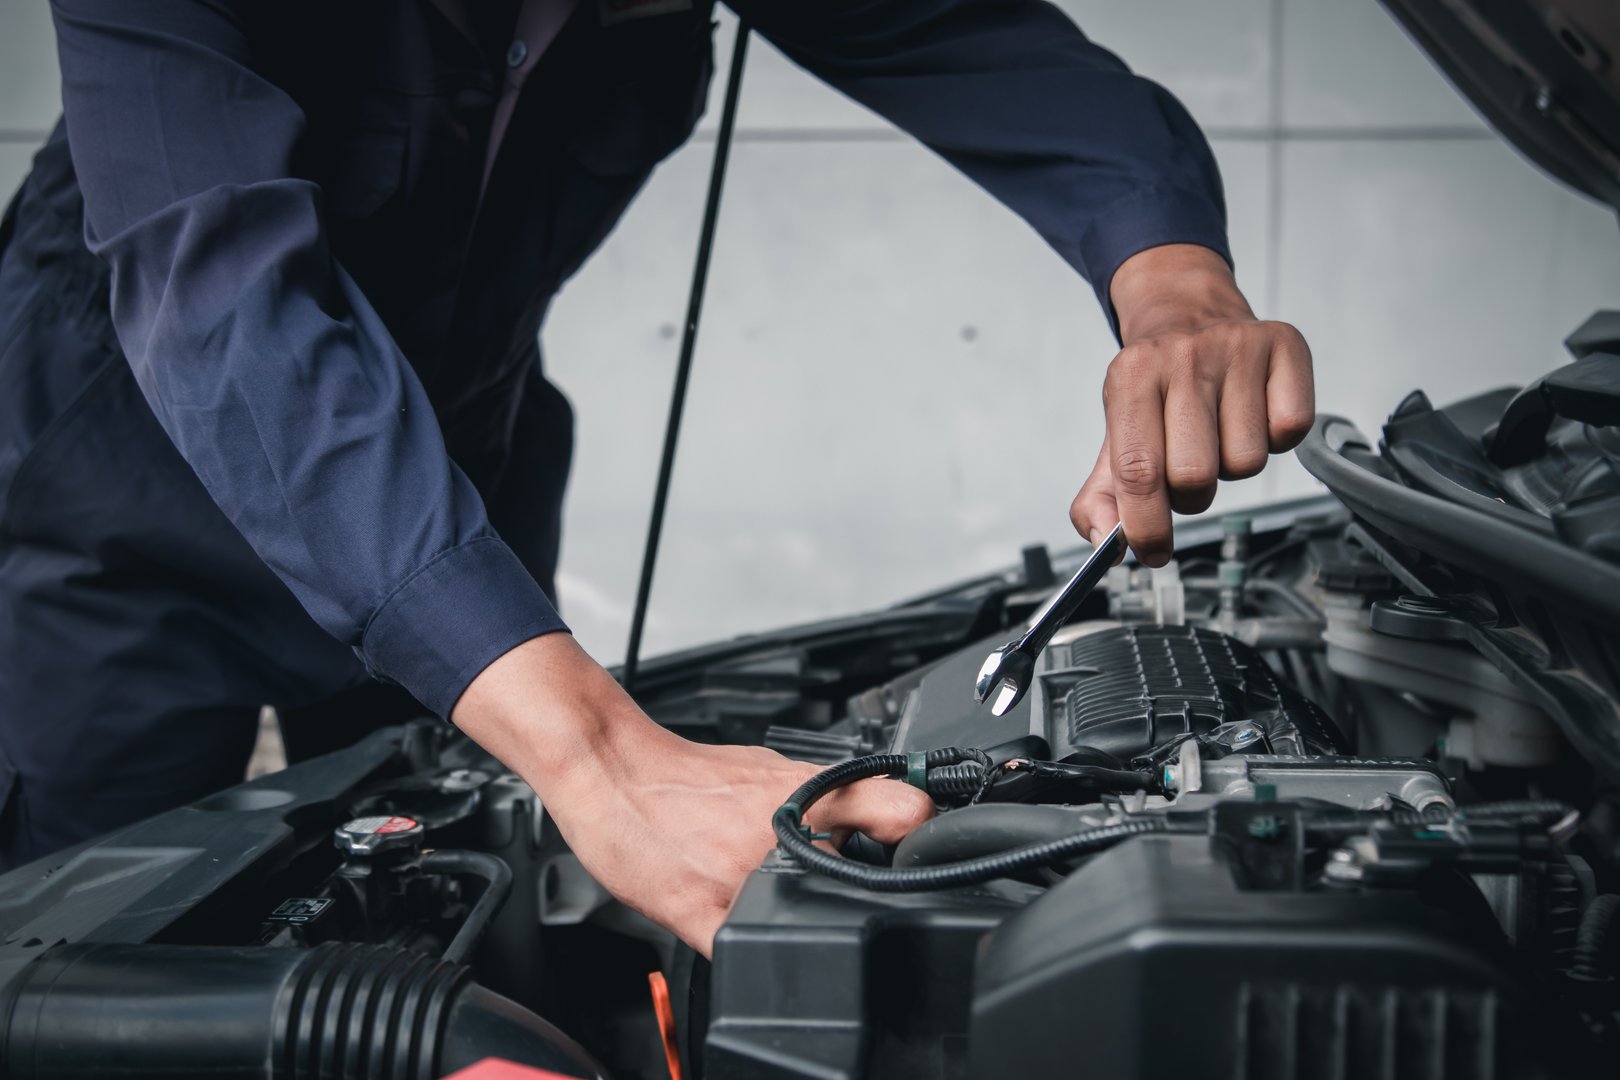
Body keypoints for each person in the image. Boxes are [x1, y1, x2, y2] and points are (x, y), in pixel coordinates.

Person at [0, 0, 1313, 954]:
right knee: (105, 966)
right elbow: (226, 310)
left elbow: (966, 38)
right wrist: (603, 757)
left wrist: (1175, 282)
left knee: (439, 937)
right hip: (132, 532)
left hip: (456, 506)